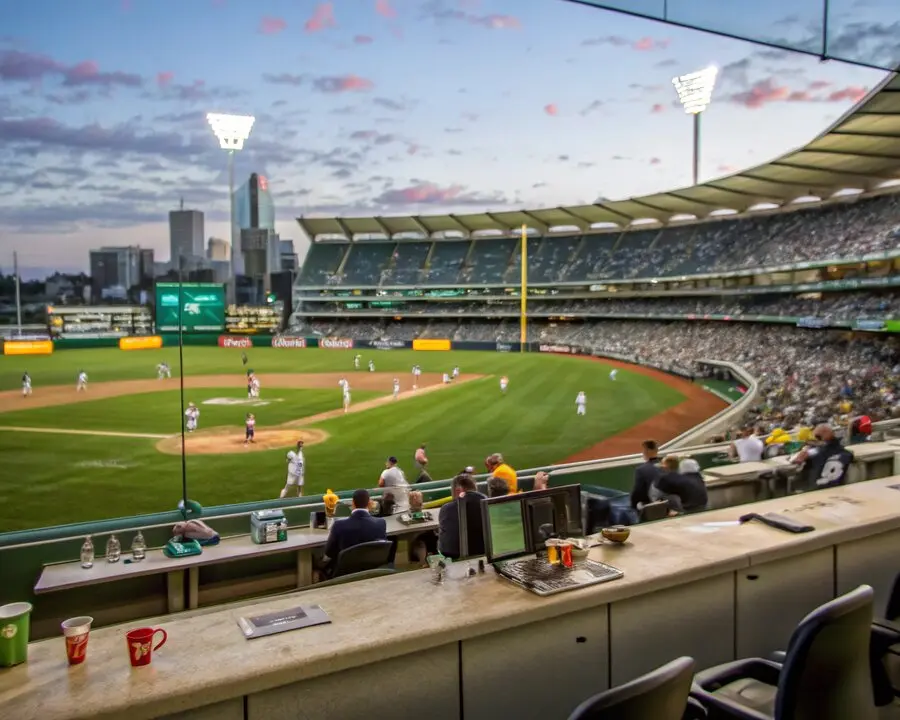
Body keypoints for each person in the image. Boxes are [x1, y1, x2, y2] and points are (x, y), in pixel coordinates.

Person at [319, 489, 387, 579]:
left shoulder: (339, 525)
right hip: (371, 571)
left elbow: (329, 552)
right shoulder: (381, 523)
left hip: (345, 573)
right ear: (369, 504)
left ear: (353, 503)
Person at [791, 424, 854, 490]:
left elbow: (797, 461)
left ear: (819, 438)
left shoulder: (813, 453)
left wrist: (804, 452)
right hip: (837, 489)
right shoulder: (847, 454)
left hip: (815, 490)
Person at [438, 473, 485, 559]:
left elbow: (445, 548)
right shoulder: (487, 505)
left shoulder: (447, 509)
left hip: (455, 557)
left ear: (457, 490)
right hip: (486, 554)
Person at [630, 439, 662, 512]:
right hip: (667, 505)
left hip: (650, 508)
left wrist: (632, 507)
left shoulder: (641, 470)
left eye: (644, 450)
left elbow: (637, 493)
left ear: (647, 451)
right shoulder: (666, 466)